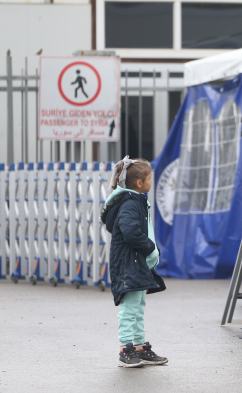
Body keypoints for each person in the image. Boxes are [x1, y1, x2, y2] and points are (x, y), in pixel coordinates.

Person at [101, 156, 167, 368]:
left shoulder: (136, 200)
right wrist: (149, 247)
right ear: (139, 183)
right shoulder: (130, 202)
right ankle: (126, 350)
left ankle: (139, 347)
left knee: (138, 308)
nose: (150, 181)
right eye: (149, 178)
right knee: (129, 310)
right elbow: (130, 232)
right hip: (128, 264)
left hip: (136, 263)